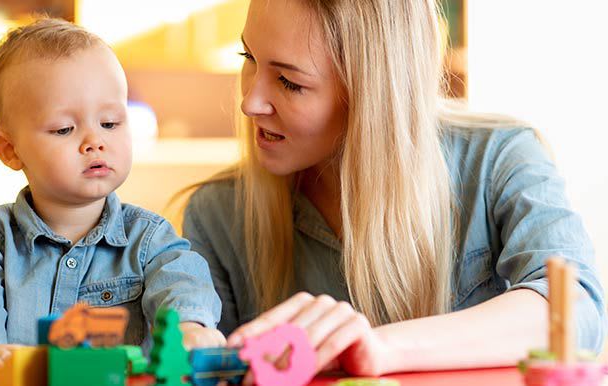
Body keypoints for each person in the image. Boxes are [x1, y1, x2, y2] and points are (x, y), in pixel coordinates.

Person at [181, 0, 605, 377]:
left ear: (371, 94)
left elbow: (573, 310)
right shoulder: (218, 213)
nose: (249, 102)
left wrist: (378, 347)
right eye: (248, 56)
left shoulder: (499, 160)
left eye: (290, 82)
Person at [0, 18, 224, 370]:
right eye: (64, 129)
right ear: (10, 151)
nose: (95, 141)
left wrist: (190, 326)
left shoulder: (147, 237)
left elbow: (183, 278)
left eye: (110, 123)